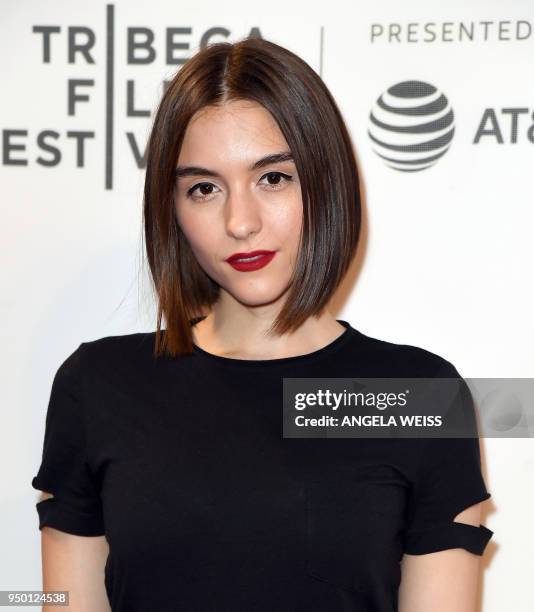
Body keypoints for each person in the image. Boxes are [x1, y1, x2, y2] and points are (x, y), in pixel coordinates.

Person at [31, 36, 493, 612]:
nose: (240, 221)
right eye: (204, 188)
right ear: (171, 211)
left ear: (326, 181)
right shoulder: (96, 385)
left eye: (273, 178)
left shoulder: (419, 395)